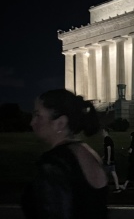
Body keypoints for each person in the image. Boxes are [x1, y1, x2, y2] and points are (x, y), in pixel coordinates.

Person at [21, 89, 109, 219]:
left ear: (60, 123)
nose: (32, 122)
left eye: (38, 115)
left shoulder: (54, 163)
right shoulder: (90, 154)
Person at [102, 128, 122, 193]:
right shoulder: (110, 139)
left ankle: (103, 188)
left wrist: (108, 159)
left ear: (105, 132)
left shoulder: (106, 139)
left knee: (104, 174)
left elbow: (109, 148)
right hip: (112, 159)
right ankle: (117, 188)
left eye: (103, 131)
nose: (102, 133)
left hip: (109, 160)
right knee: (113, 173)